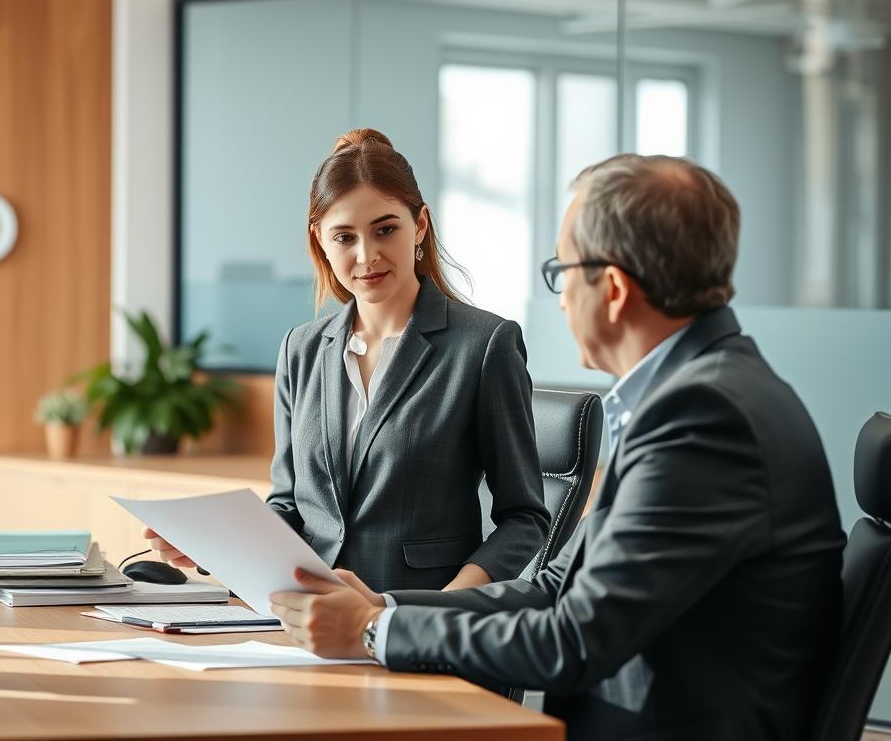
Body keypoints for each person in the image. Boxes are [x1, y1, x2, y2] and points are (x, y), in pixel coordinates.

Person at [269, 153, 846, 740]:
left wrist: (371, 633)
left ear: (613, 289)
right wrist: (384, 611)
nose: (562, 298)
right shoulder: (693, 395)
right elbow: (553, 588)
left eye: (561, 271)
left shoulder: (702, 418)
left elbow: (574, 639)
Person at [147, 128, 550, 593]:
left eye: (386, 229)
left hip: (415, 622)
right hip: (305, 616)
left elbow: (525, 519)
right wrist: (212, 547)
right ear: (319, 240)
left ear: (419, 225)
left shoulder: (483, 345)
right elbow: (289, 509)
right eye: (344, 237)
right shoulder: (301, 349)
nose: (367, 256)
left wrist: (439, 611)